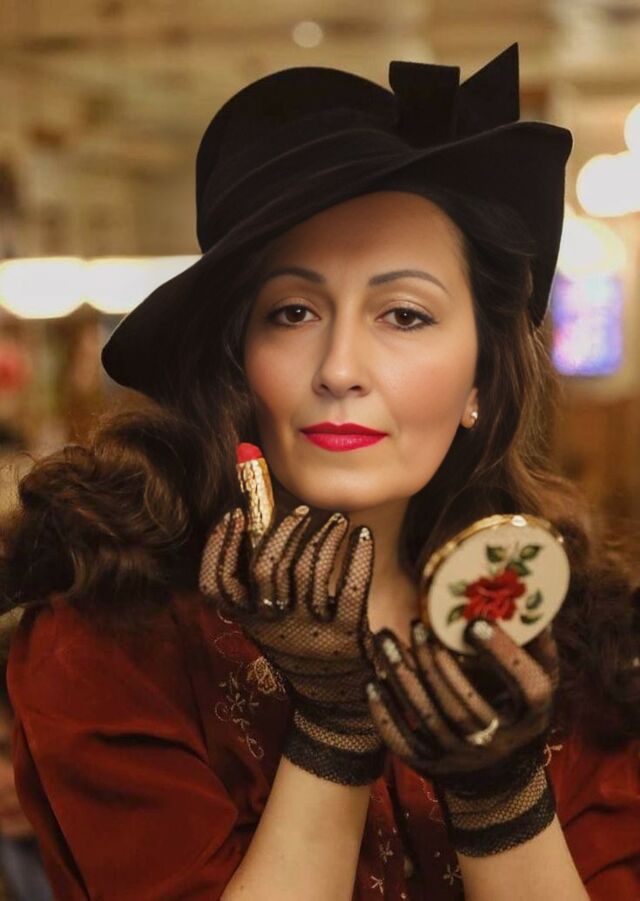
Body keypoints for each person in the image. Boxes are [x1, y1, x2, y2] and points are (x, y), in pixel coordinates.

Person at [1, 42, 639, 900]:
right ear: (238, 360)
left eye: (404, 315)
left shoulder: (578, 642)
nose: (339, 368)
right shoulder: (114, 639)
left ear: (481, 381)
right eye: (293, 312)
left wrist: (502, 799)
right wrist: (333, 735)